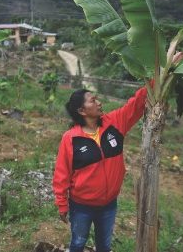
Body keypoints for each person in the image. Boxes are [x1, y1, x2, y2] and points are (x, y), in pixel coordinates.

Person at [52, 85, 148, 252]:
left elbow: (136, 104)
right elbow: (62, 173)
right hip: (81, 205)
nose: (99, 102)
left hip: (109, 204)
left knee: (104, 246)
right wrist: (61, 203)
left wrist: (157, 76)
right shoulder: (70, 138)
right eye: (93, 100)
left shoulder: (114, 123)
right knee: (78, 243)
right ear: (82, 110)